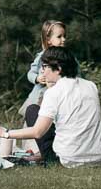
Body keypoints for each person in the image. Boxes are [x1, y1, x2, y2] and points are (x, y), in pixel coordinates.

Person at [0, 48, 101, 167]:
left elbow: (37, 132)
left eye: (44, 66)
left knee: (32, 110)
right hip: (98, 158)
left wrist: (5, 133)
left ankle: (50, 160)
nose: (42, 71)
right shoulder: (91, 86)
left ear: (58, 69)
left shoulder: (54, 92)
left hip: (68, 161)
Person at [18, 19, 67, 163]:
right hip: (41, 94)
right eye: (59, 37)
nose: (63, 40)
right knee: (37, 119)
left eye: (64, 36)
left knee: (55, 121)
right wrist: (37, 78)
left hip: (59, 93)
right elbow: (30, 73)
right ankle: (36, 150)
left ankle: (54, 149)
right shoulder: (42, 56)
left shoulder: (67, 57)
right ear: (48, 39)